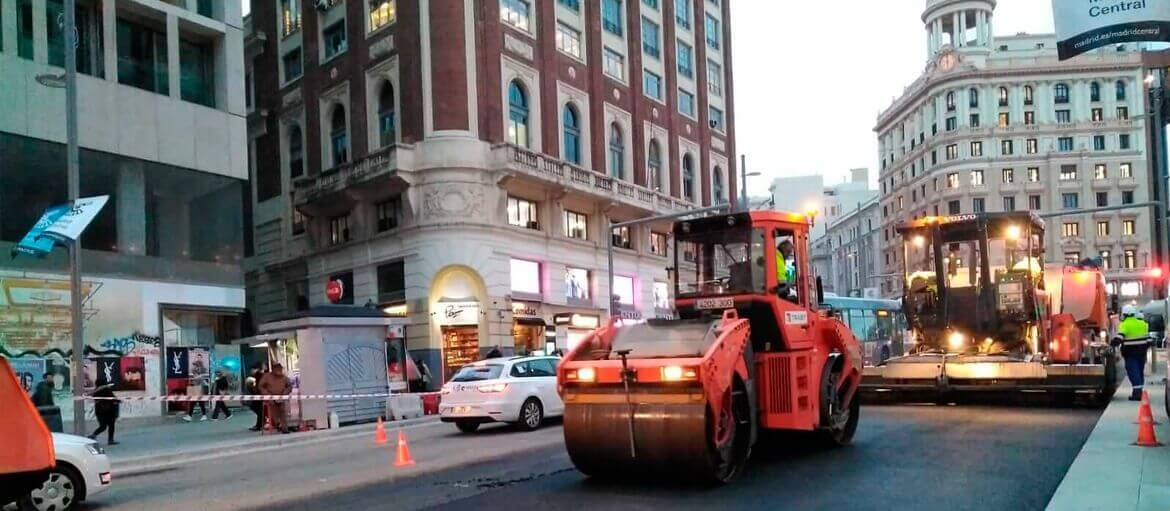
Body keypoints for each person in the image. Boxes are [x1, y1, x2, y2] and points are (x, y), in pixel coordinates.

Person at [1112, 304, 1152, 401]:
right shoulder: (1143, 324)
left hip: (1130, 353)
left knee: (1133, 372)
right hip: (1142, 353)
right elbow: (1149, 339)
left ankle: (1137, 394)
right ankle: (1139, 391)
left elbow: (1120, 337)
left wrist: (1113, 343)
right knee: (1139, 371)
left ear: (1124, 314)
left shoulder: (1125, 324)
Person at [259, 363, 292, 433]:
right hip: (270, 397)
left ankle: (284, 428)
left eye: (280, 369)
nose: (279, 371)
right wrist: (267, 394)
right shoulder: (267, 376)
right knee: (273, 407)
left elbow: (289, 386)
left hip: (281, 396)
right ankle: (277, 423)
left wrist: (285, 393)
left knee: (282, 410)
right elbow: (260, 386)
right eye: (277, 369)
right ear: (273, 370)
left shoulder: (284, 377)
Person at [244, 365, 265, 431]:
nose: (251, 371)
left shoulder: (258, 375)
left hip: (258, 396)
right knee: (259, 410)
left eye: (252, 370)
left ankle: (259, 425)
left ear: (256, 369)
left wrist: (254, 389)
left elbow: (258, 386)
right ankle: (260, 423)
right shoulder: (258, 376)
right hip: (258, 395)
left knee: (258, 409)